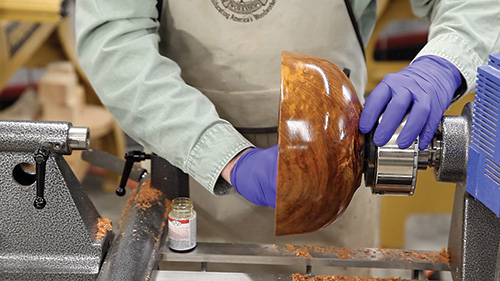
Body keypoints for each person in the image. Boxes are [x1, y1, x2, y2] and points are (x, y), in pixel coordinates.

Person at [76, 0, 500, 276]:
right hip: (192, 175)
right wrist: (222, 154)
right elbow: (116, 40)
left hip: (338, 176)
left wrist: (443, 65)